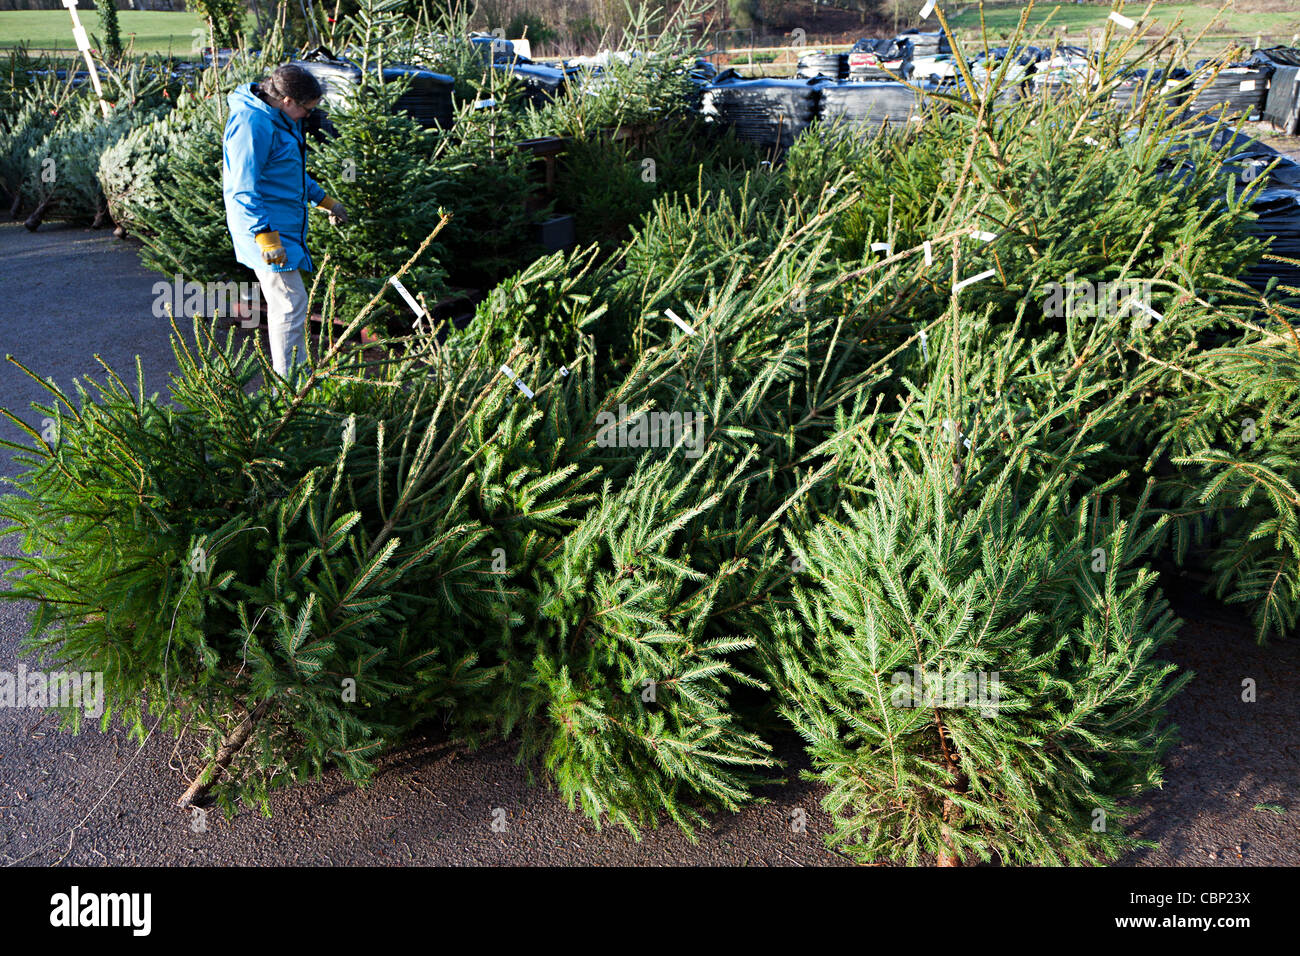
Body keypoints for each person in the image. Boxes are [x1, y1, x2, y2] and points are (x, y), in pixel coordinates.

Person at [222, 64, 348, 384]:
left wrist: (324, 201)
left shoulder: (278, 118)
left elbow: (288, 172)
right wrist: (266, 238)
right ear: (288, 100)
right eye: (307, 109)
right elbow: (241, 189)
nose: (308, 115)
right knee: (290, 304)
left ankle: (296, 378)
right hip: (264, 232)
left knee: (289, 304)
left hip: (277, 229)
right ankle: (290, 389)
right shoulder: (252, 123)